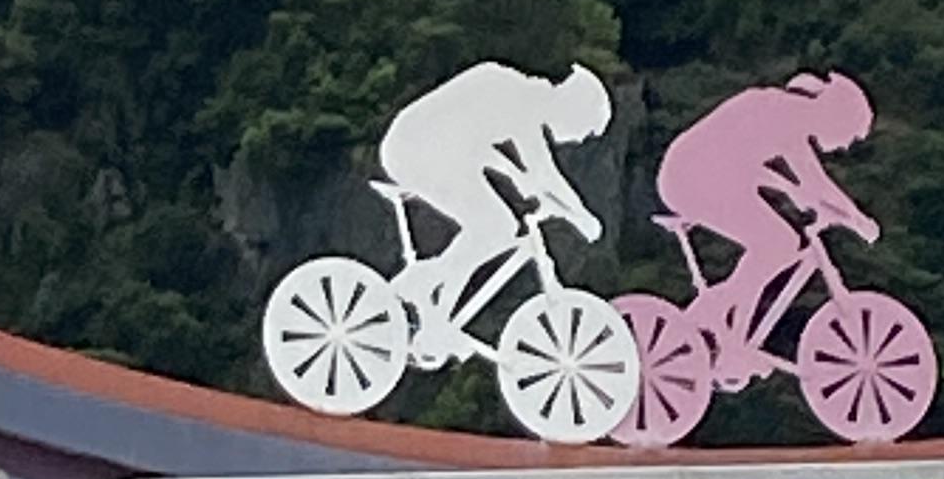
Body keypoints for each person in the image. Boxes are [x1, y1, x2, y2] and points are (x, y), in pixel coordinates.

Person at [375, 61, 612, 354]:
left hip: (422, 147)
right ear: (571, 107)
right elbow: (543, 171)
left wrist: (517, 176)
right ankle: (428, 284)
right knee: (495, 226)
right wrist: (582, 216)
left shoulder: (517, 93)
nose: (581, 139)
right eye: (585, 130)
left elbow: (478, 142)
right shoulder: (521, 99)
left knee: (487, 231)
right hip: (416, 150)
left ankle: (435, 315)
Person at [654, 72, 880, 360]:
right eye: (849, 134)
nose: (845, 146)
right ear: (834, 115)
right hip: (690, 179)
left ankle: (731, 328)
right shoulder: (787, 116)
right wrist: (858, 220)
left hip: (697, 174)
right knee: (779, 243)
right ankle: (722, 315)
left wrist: (792, 190)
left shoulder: (779, 108)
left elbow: (744, 161)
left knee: (774, 246)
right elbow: (815, 181)